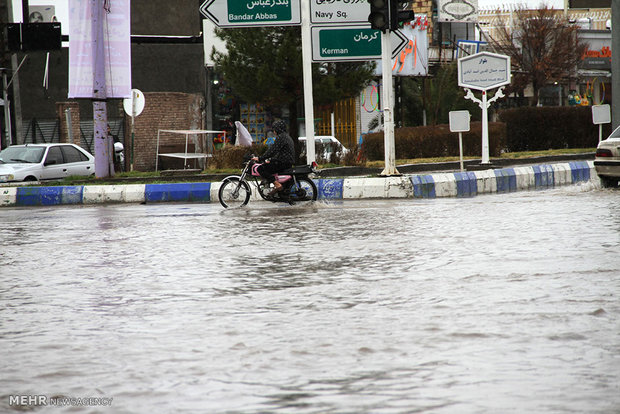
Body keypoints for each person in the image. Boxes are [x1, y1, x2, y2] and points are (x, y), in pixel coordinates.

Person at [252, 120, 295, 195]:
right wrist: (272, 160)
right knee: (269, 166)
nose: (274, 132)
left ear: (278, 129)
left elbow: (272, 151)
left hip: (283, 163)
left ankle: (277, 184)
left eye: (274, 129)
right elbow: (280, 152)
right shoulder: (286, 136)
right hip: (286, 162)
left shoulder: (281, 137)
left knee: (260, 169)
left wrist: (260, 158)